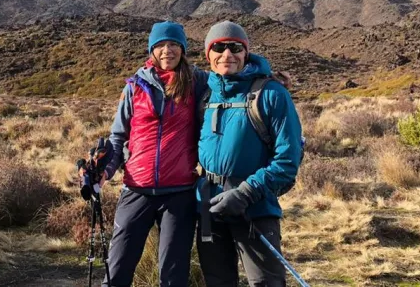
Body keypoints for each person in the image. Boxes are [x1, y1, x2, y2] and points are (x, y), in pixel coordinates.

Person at [100, 21, 208, 287]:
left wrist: (265, 77)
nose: (167, 51)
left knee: (173, 276)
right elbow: (117, 137)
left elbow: (232, 77)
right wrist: (105, 170)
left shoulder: (197, 82)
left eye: (173, 44)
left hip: (179, 193)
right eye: (160, 45)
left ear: (183, 49)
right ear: (151, 50)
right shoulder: (135, 85)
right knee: (117, 270)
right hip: (136, 189)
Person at [196, 20, 303, 287]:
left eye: (235, 47)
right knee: (218, 282)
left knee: (265, 282)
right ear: (208, 54)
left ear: (246, 53)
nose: (227, 55)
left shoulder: (271, 94)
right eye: (218, 47)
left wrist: (245, 193)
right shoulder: (205, 95)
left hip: (254, 208)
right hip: (210, 207)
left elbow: (288, 160)